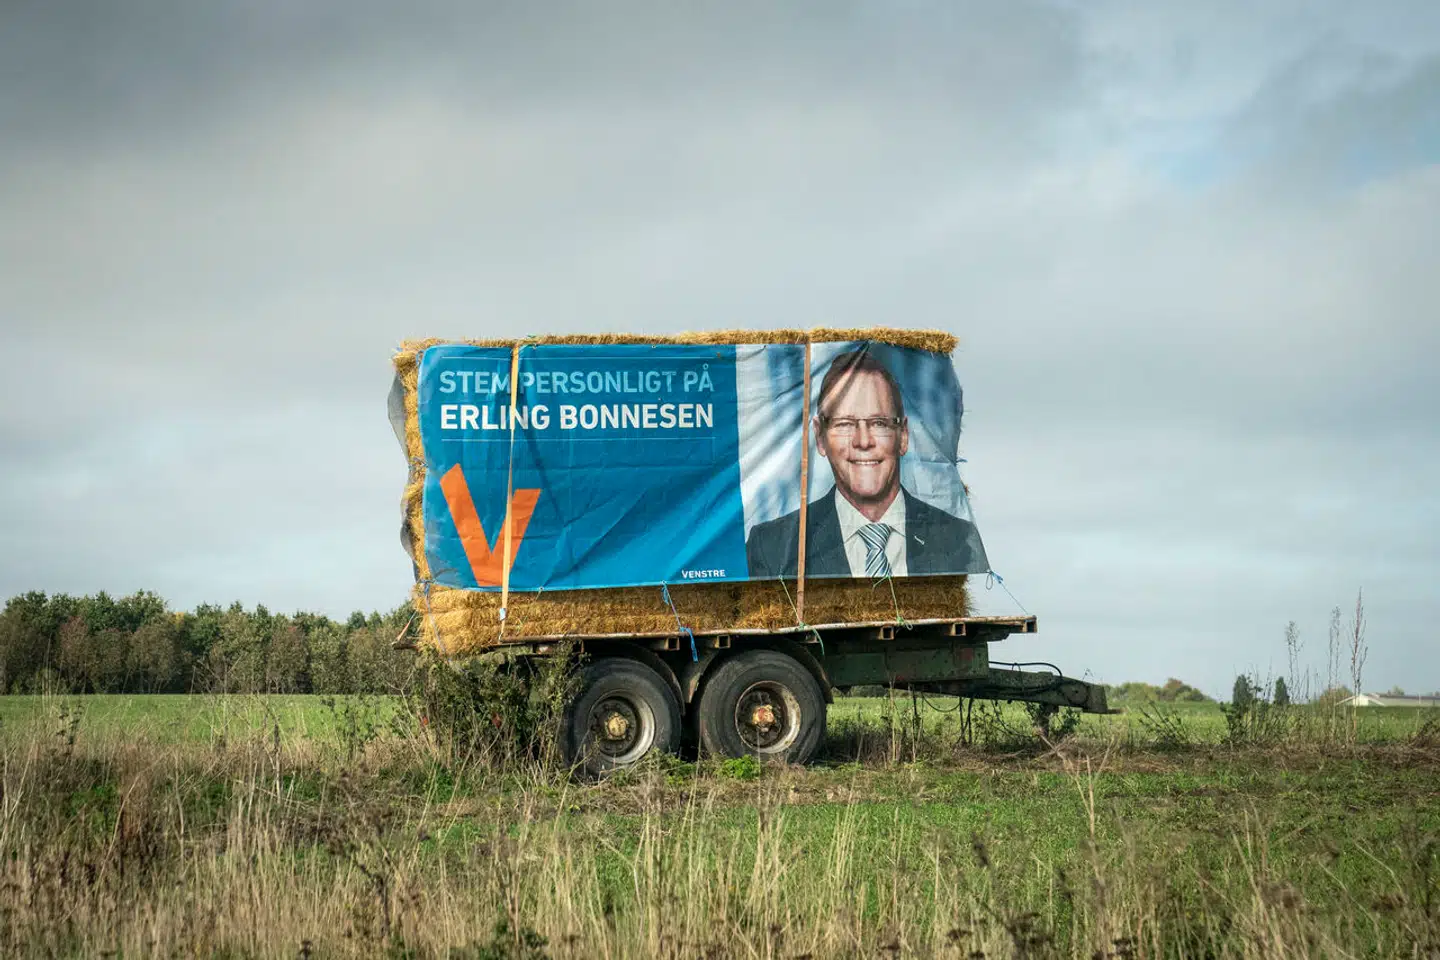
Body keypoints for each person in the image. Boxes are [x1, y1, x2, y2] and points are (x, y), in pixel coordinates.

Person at [745, 348, 987, 579]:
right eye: (845, 424)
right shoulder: (772, 546)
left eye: (879, 423)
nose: (863, 441)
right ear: (820, 437)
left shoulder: (956, 538)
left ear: (903, 435)